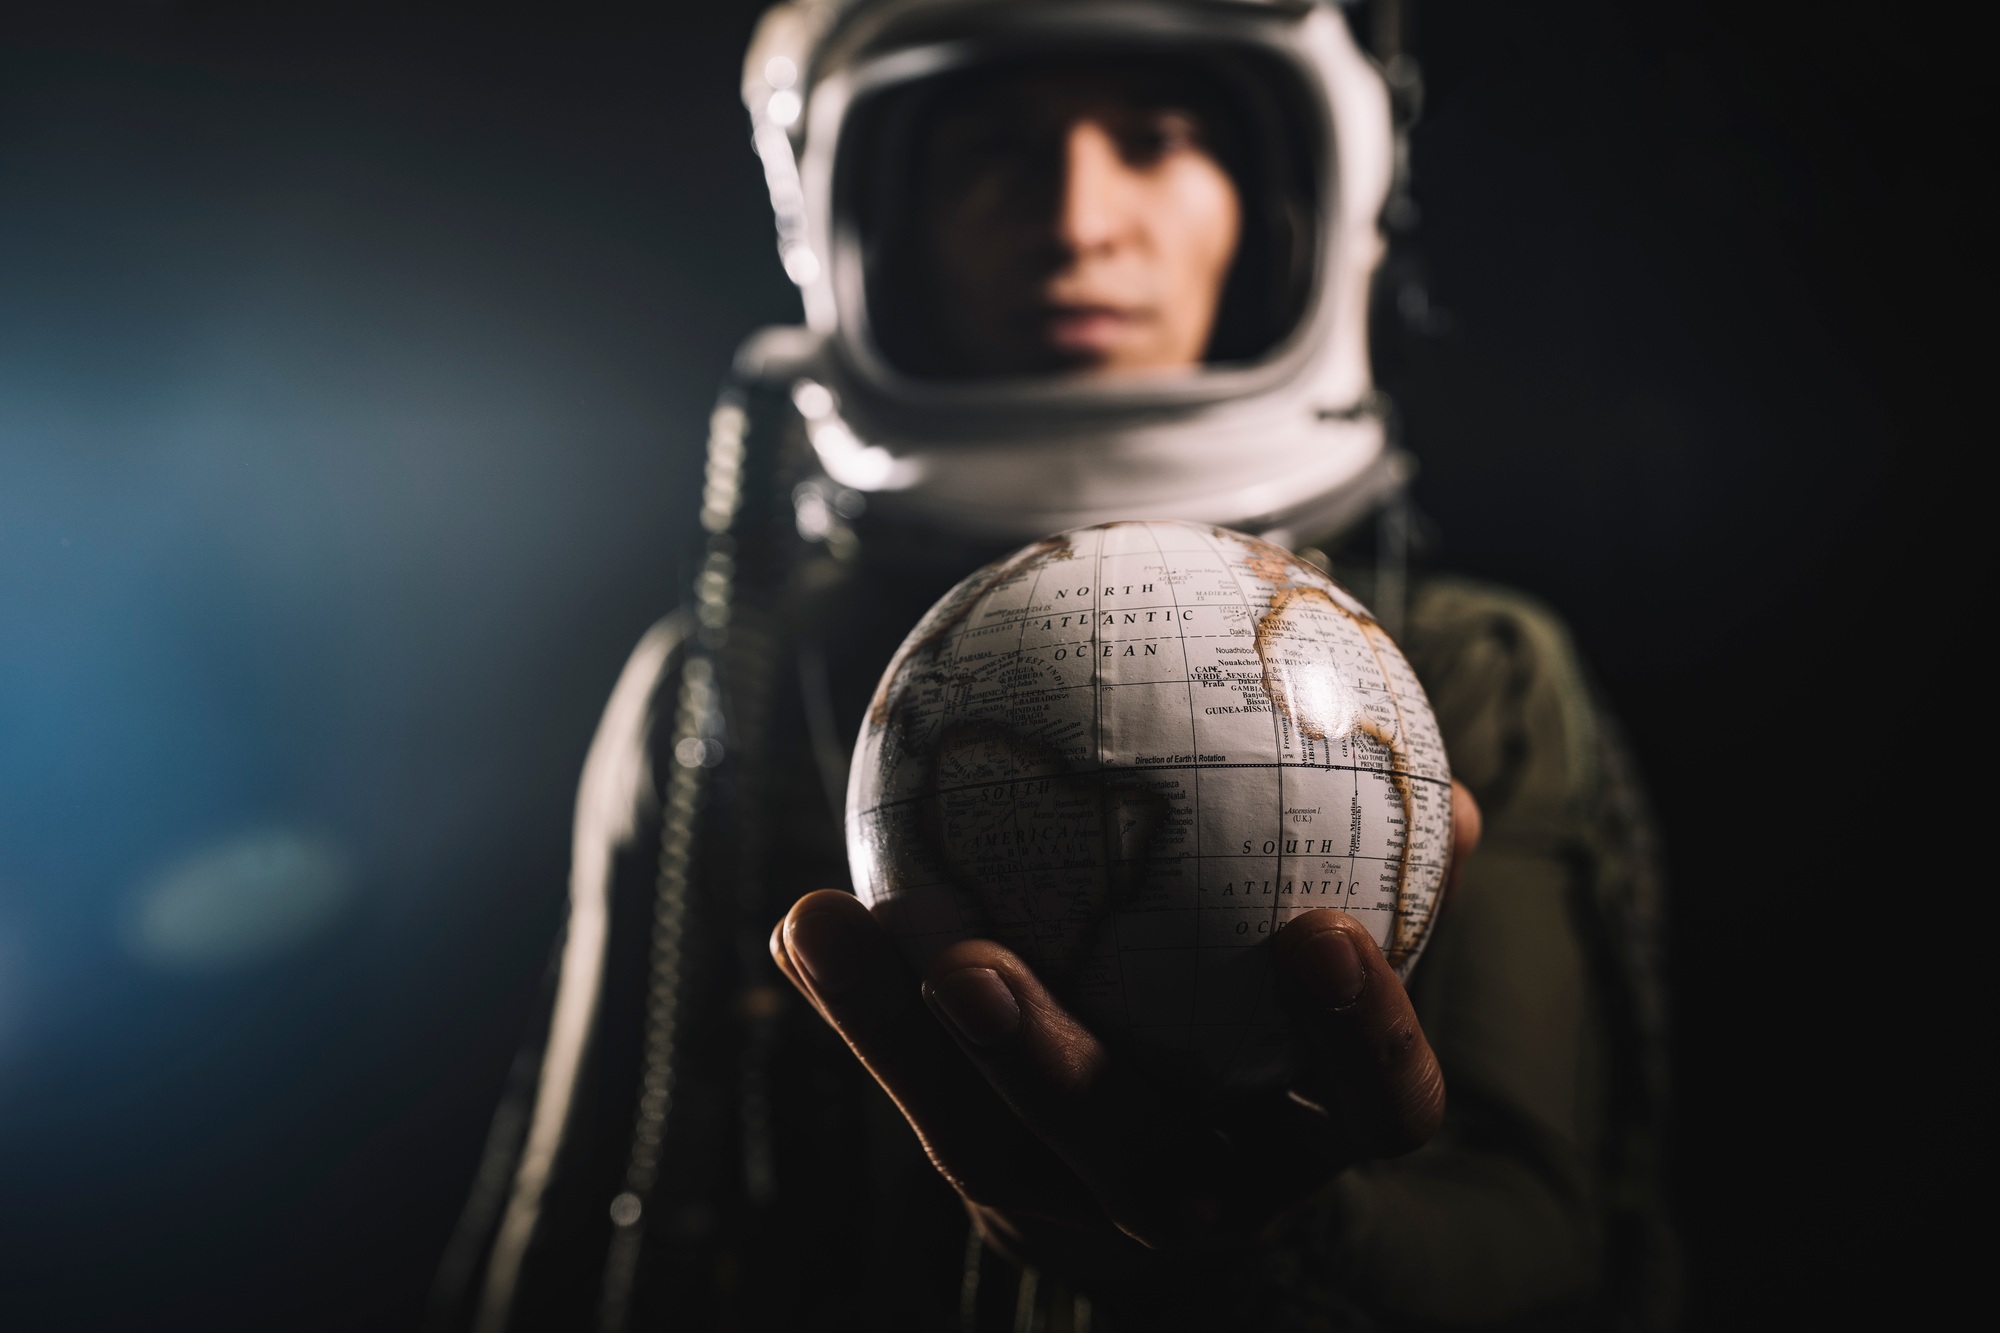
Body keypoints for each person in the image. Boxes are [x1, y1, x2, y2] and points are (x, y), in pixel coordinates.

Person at [430, 2, 1674, 1330]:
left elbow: (1550, 1248)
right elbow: (573, 1219)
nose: (1082, 221)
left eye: (1156, 142)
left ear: (1294, 192)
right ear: (866, 218)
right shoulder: (724, 680)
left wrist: (1260, 1247)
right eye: (997, 152)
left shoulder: (1468, 668)